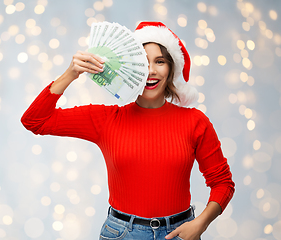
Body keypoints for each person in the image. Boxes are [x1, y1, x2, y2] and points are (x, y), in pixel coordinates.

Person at [21, 21, 235, 240]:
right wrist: (70, 74)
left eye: (159, 61)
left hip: (180, 233)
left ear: (171, 68)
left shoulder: (195, 122)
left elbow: (223, 183)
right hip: (122, 234)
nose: (151, 70)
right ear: (130, 67)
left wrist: (200, 224)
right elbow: (35, 120)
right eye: (142, 62)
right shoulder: (106, 120)